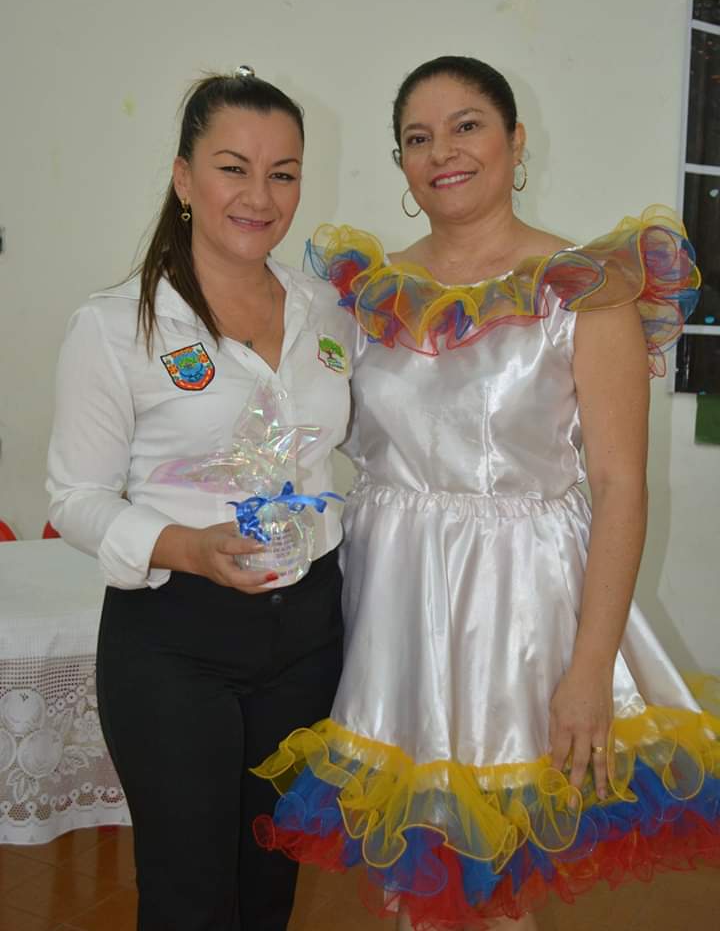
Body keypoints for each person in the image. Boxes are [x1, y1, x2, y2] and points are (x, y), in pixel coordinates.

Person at [253, 56, 719, 930]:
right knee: (410, 875)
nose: (442, 153)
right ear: (400, 165)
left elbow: (621, 487)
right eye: (417, 139)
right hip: (390, 607)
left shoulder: (585, 288)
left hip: (522, 617)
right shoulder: (360, 294)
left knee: (500, 878)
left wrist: (589, 669)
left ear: (514, 141)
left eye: (466, 125)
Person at [47, 69, 353, 931]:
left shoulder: (329, 312)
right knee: (188, 891)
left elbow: (358, 443)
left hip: (308, 631)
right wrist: (187, 547)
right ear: (184, 178)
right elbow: (74, 496)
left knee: (270, 879)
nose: (260, 196)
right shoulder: (116, 327)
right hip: (174, 634)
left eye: (284, 172)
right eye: (233, 168)